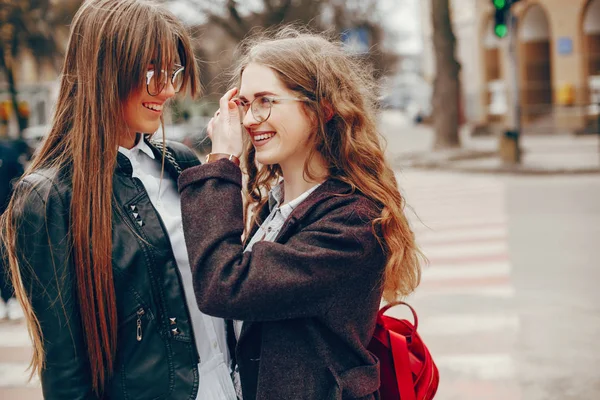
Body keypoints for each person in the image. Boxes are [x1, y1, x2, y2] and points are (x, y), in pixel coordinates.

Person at [0, 0, 236, 398]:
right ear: (105, 70)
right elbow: (65, 372)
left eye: (173, 72)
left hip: (229, 383)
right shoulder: (48, 197)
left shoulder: (179, 162)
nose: (168, 89)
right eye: (152, 72)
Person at [178, 28, 422, 400]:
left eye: (265, 101)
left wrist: (220, 162)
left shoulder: (352, 222)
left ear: (322, 108)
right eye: (244, 103)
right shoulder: (276, 209)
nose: (248, 120)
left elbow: (222, 285)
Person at [0, 138, 27, 321]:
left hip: (4, 216)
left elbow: (19, 182)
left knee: (6, 258)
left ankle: (12, 299)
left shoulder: (7, 152)